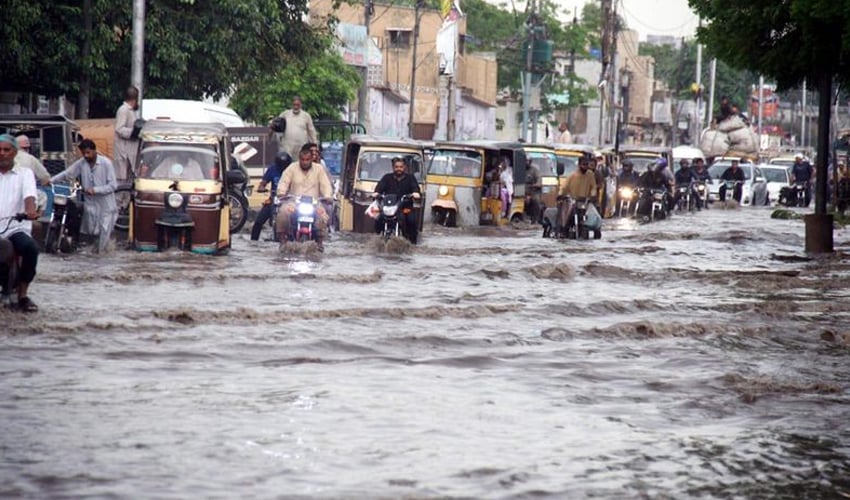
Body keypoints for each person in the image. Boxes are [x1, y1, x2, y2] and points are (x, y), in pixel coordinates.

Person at [48, 139, 118, 253]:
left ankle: (103, 258)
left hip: (106, 206)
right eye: (84, 153)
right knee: (91, 233)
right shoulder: (82, 163)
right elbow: (67, 173)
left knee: (104, 233)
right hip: (90, 205)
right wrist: (51, 181)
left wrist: (95, 190)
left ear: (94, 151)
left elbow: (113, 185)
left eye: (88, 153)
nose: (86, 156)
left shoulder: (106, 163)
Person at [0, 134, 40, 312]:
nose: (2, 153)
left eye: (6, 150)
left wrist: (30, 211)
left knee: (31, 248)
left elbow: (30, 195)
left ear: (14, 152)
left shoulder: (25, 173)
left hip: (14, 228)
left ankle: (23, 294)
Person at [275, 144, 333, 250]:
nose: (305, 162)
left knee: (322, 215)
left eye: (307, 160)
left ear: (311, 159)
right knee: (283, 213)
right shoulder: (291, 168)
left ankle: (320, 242)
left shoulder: (319, 169)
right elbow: (283, 183)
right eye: (303, 159)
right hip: (294, 202)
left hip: (314, 203)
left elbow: (326, 186)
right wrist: (281, 193)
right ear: (299, 158)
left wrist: (328, 196)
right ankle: (283, 241)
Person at [373, 156, 422, 244]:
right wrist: (376, 193)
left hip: (405, 208)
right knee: (378, 218)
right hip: (389, 207)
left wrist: (415, 193)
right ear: (393, 168)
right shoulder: (387, 178)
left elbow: (416, 189)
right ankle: (378, 238)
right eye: (396, 167)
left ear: (404, 168)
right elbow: (379, 188)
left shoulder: (410, 178)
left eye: (401, 167)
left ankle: (413, 243)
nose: (398, 169)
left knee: (411, 220)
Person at [250, 151, 292, 241]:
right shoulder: (272, 169)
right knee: (258, 222)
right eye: (281, 166)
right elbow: (262, 184)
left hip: (290, 201)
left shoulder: (293, 170)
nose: (283, 169)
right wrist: (261, 188)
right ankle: (253, 242)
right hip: (274, 200)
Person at [557, 155, 597, 230]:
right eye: (584, 164)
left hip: (584, 202)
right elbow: (564, 187)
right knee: (565, 217)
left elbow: (593, 187)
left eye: (587, 164)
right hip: (572, 202)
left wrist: (593, 195)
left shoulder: (590, 174)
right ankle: (563, 229)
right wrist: (560, 194)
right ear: (579, 165)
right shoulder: (573, 176)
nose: (586, 167)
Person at [114, 86, 140, 181]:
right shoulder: (123, 110)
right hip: (123, 152)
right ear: (135, 99)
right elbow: (119, 129)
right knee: (122, 179)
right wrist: (134, 132)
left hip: (129, 152)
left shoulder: (130, 111)